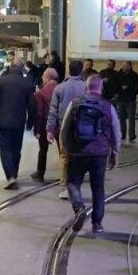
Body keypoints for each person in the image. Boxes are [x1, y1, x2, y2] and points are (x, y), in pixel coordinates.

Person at [60, 75, 121, 235]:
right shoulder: (108, 107)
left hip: (77, 151)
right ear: (101, 88)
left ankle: (79, 207)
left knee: (72, 182)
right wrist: (115, 153)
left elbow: (65, 128)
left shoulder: (75, 103)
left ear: (86, 88)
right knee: (98, 188)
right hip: (100, 153)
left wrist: (65, 148)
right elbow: (116, 132)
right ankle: (97, 224)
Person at [0, 58, 36, 189]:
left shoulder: (3, 81)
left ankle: (10, 176)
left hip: (3, 121)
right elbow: (32, 104)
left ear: (11, 67)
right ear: (22, 68)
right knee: (16, 149)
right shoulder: (27, 83)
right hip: (19, 122)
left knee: (5, 149)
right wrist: (31, 122)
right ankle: (14, 174)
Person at [47, 60, 88, 199]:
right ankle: (75, 186)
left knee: (64, 157)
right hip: (82, 128)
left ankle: (64, 187)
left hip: (64, 128)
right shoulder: (86, 87)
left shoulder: (59, 88)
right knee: (78, 157)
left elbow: (53, 110)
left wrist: (50, 130)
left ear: (68, 70)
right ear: (81, 70)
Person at [32, 68, 59, 182]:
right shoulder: (61, 88)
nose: (42, 78)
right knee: (63, 151)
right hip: (61, 124)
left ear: (48, 77)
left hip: (46, 125)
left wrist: (37, 130)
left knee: (43, 150)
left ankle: (40, 173)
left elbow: (40, 113)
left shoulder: (41, 93)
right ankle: (67, 174)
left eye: (43, 76)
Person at [114, 62, 138, 142]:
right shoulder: (118, 74)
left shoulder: (134, 75)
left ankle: (132, 135)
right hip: (121, 99)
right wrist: (120, 88)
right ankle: (122, 134)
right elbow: (114, 85)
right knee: (121, 118)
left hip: (131, 100)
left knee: (131, 118)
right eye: (123, 66)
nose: (124, 67)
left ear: (130, 67)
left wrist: (133, 93)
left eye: (126, 66)